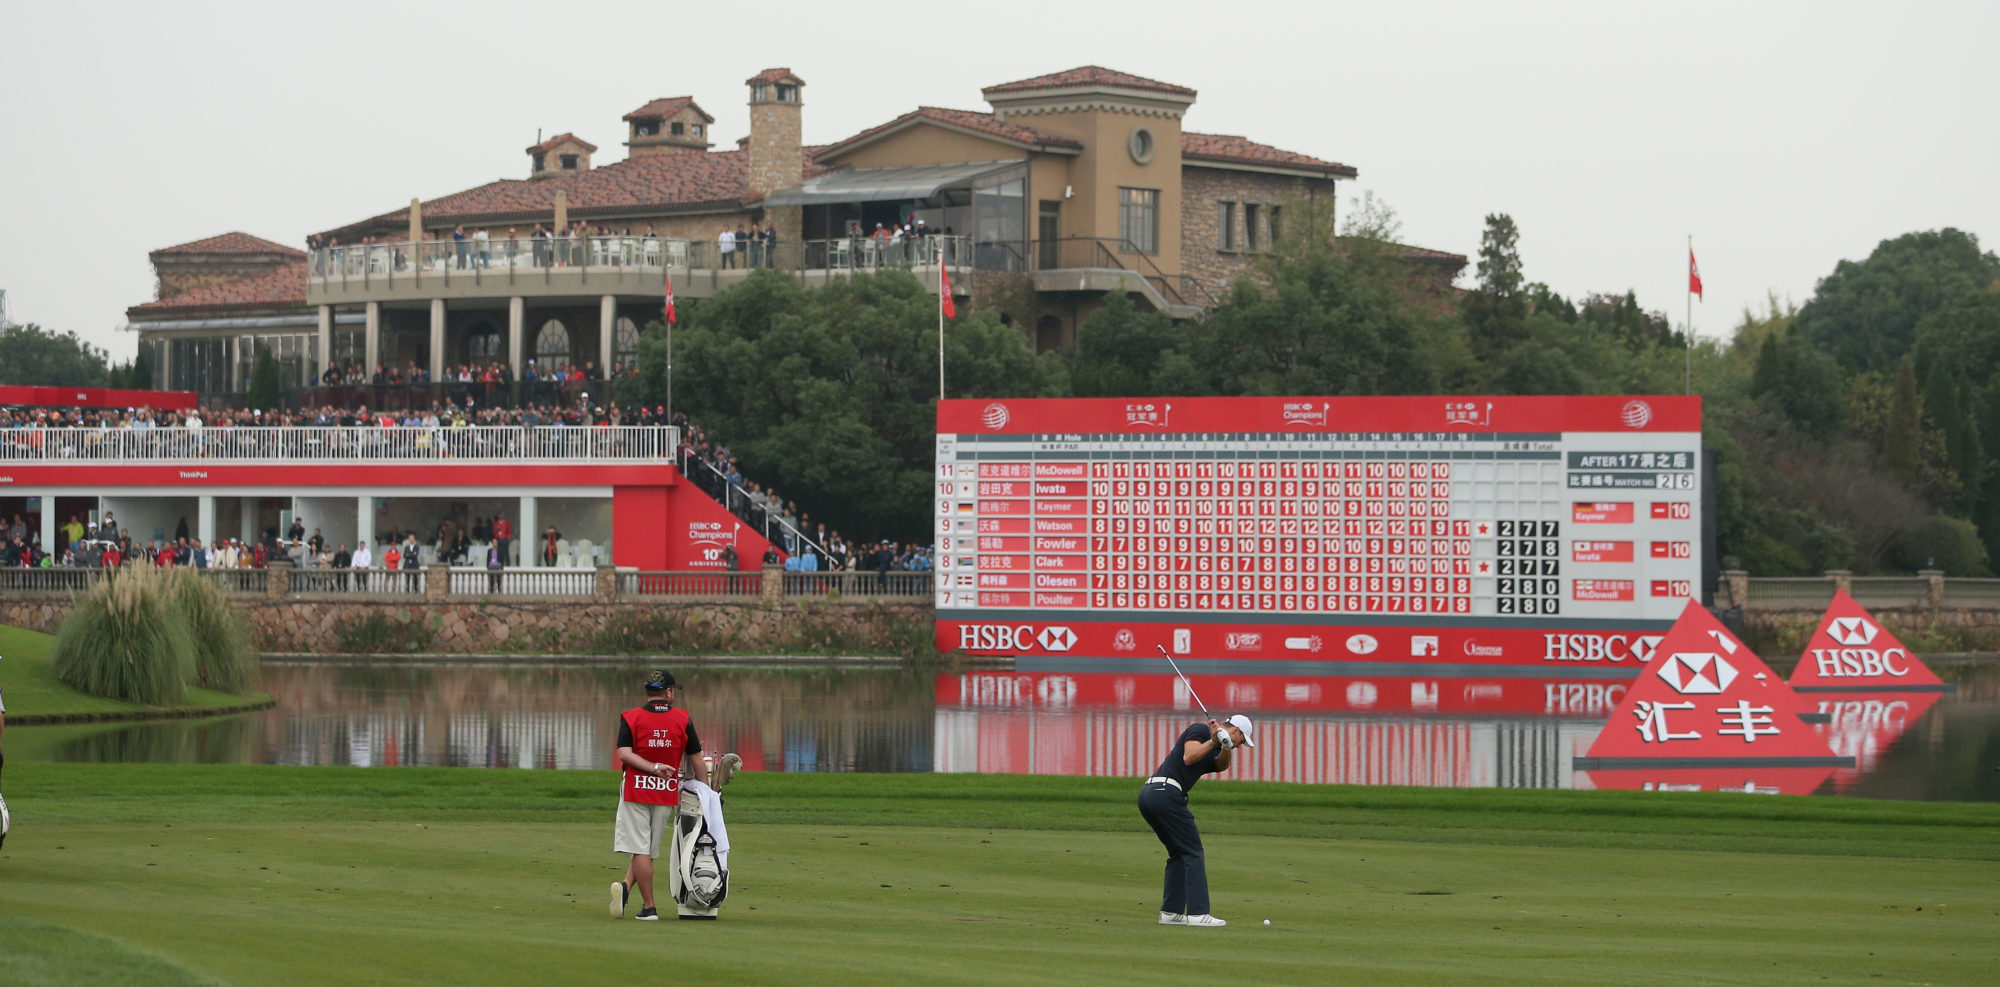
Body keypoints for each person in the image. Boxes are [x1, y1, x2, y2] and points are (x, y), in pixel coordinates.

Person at [1138, 713, 1255, 927]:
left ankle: (1171, 912)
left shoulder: (1218, 745)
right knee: (1193, 851)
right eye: (1241, 741)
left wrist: (1225, 746)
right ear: (1237, 731)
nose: (1240, 746)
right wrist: (1213, 740)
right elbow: (1188, 757)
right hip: (1165, 793)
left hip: (1152, 794)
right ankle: (1198, 913)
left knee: (1179, 853)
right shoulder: (1201, 730)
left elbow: (1221, 766)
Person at [610, 669, 707, 922]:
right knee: (648, 850)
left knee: (640, 849)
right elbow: (696, 757)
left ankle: (649, 907)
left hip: (635, 788)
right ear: (669, 692)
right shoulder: (682, 719)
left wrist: (651, 767)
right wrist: (705, 791)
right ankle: (625, 887)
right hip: (665, 792)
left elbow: (623, 753)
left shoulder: (631, 718)